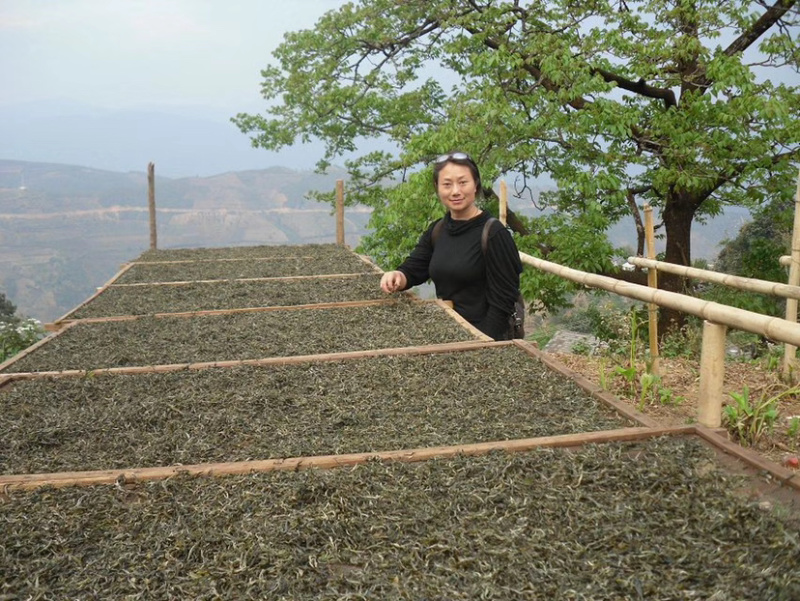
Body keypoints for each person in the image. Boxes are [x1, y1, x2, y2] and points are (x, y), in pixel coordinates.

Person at [380, 152, 523, 340]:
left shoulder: (494, 234)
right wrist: (398, 276)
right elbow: (415, 268)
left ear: (476, 185)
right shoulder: (438, 230)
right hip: (449, 333)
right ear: (437, 188)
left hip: (486, 338)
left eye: (463, 182)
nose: (455, 191)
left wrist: (482, 343)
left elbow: (503, 302)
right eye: (447, 184)